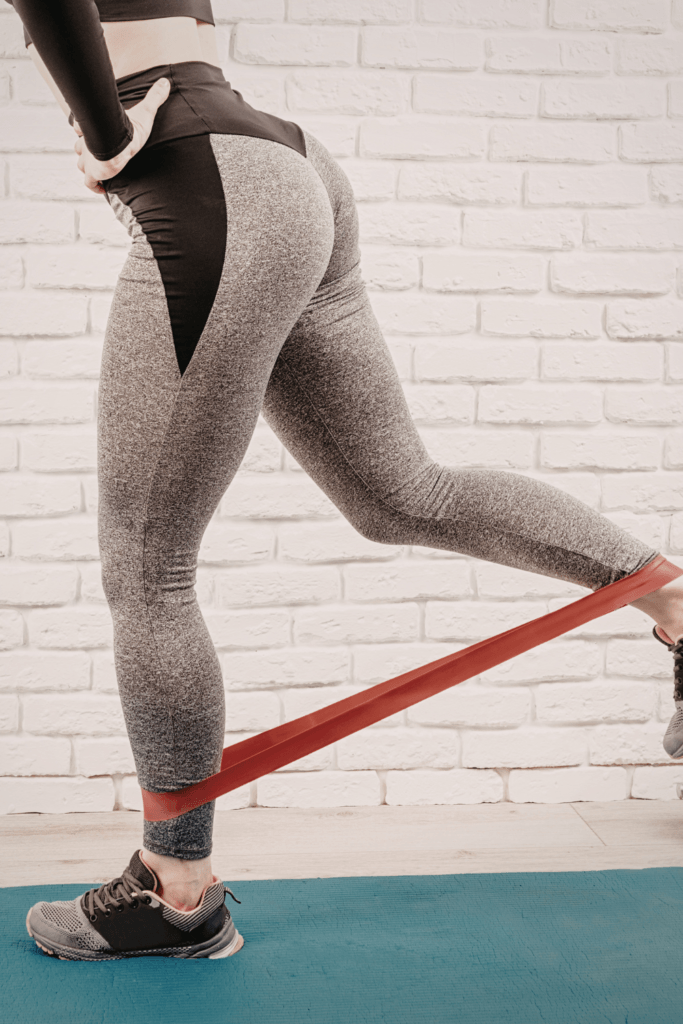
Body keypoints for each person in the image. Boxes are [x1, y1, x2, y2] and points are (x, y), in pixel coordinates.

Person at [7, 0, 683, 963]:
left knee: (146, 567)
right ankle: (678, 601)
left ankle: (176, 891)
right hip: (285, 164)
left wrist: (105, 134)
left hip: (208, 179)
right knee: (402, 494)